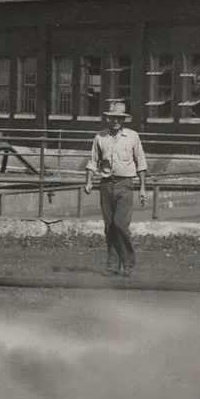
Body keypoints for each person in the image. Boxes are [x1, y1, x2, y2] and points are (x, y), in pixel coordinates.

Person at [85, 98, 148, 276]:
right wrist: (89, 181)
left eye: (119, 118)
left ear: (124, 120)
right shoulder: (100, 137)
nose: (116, 121)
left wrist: (143, 188)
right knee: (110, 226)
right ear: (108, 119)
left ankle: (128, 262)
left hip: (125, 184)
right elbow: (93, 161)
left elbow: (141, 163)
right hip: (106, 185)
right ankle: (112, 264)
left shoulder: (133, 136)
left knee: (121, 224)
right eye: (113, 118)